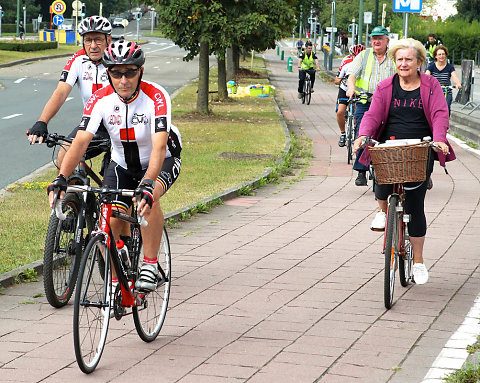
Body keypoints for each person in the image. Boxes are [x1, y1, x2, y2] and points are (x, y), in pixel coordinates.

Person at [47, 40, 182, 292]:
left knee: (148, 200)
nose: (123, 80)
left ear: (140, 71)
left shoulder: (157, 96)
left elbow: (160, 147)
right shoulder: (100, 99)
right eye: (116, 73)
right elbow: (80, 142)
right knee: (108, 217)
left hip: (160, 160)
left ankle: (150, 264)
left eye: (130, 72)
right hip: (121, 162)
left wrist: (148, 184)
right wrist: (62, 178)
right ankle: (118, 266)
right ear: (107, 72)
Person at [353, 38, 456, 284]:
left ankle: (418, 261)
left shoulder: (430, 86)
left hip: (420, 146)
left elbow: (440, 114)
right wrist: (363, 136)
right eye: (399, 59)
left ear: (419, 61)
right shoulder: (385, 87)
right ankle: (382, 210)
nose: (403, 63)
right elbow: (373, 114)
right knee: (381, 174)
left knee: (415, 205)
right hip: (390, 144)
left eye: (408, 59)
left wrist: (439, 139)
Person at [28, 16, 113, 169]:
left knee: (113, 170)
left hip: (121, 123)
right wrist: (42, 122)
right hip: (92, 124)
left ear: (109, 39)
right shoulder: (77, 60)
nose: (93, 45)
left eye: (98, 40)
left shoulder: (118, 59)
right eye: (88, 40)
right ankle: (76, 190)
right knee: (65, 154)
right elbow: (61, 92)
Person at [346, 26, 396, 186]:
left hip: (388, 104)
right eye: (374, 38)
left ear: (387, 41)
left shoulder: (395, 56)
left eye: (380, 38)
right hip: (365, 102)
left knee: (392, 134)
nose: (376, 41)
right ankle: (361, 171)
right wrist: (351, 88)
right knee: (363, 133)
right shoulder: (364, 55)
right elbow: (352, 74)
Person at [335, 44, 365, 147]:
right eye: (354, 56)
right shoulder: (346, 63)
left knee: (358, 113)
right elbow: (336, 80)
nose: (356, 59)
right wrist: (343, 80)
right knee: (340, 112)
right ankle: (343, 133)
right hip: (345, 89)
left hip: (358, 91)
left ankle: (356, 133)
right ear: (351, 55)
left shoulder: (366, 64)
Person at [425, 45, 462, 115]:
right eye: (439, 54)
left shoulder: (450, 67)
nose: (441, 56)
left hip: (446, 91)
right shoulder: (431, 66)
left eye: (443, 54)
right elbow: (427, 76)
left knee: (446, 108)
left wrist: (458, 84)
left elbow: (455, 76)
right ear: (435, 56)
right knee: (433, 109)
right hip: (434, 92)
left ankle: (445, 124)